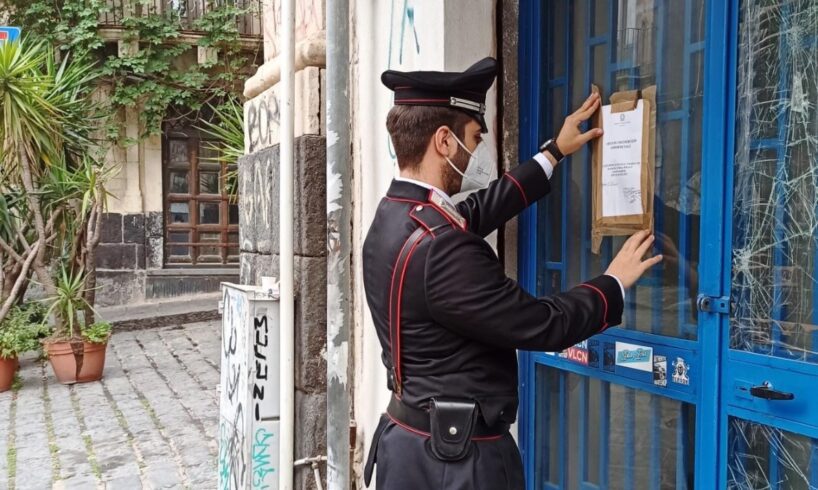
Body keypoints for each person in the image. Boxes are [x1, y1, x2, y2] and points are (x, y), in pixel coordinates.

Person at [362, 57, 662, 490]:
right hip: (456, 466)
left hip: (409, 446)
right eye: (474, 138)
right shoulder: (443, 246)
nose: (478, 151)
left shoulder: (395, 216)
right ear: (444, 141)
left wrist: (553, 153)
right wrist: (611, 283)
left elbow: (477, 211)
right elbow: (542, 323)